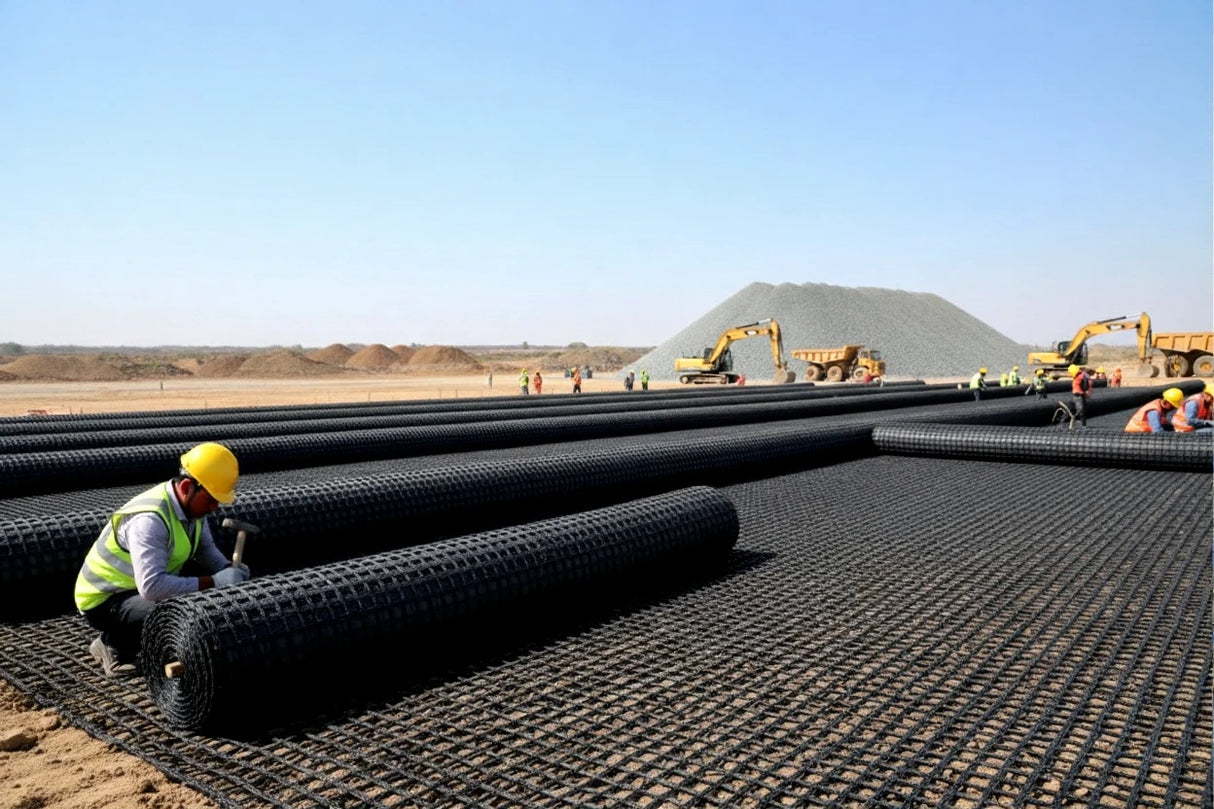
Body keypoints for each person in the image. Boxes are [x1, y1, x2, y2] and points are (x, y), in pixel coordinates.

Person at [74, 442, 249, 677]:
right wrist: (215, 582)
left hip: (135, 588)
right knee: (174, 608)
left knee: (194, 592)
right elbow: (152, 587)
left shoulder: (191, 508)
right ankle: (112, 644)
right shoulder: (149, 520)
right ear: (187, 487)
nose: (215, 507)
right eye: (211, 500)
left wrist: (227, 570)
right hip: (104, 600)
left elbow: (204, 548)